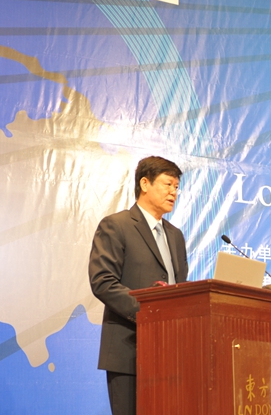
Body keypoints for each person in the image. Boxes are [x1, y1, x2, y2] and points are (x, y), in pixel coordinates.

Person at [89, 156, 189, 415]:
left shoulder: (176, 235)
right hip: (128, 350)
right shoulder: (116, 225)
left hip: (170, 353)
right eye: (167, 184)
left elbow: (180, 288)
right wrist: (150, 312)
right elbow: (103, 282)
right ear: (145, 184)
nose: (173, 192)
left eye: (176, 187)